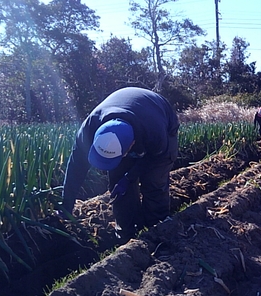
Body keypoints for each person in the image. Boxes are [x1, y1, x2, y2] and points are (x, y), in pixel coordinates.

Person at [62, 87, 180, 241]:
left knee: (154, 182)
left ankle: (157, 230)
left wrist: (129, 177)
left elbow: (153, 160)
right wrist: (66, 205)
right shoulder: (89, 128)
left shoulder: (155, 134)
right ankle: (125, 233)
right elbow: (75, 167)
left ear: (131, 145)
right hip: (131, 117)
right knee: (119, 187)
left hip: (162, 120)